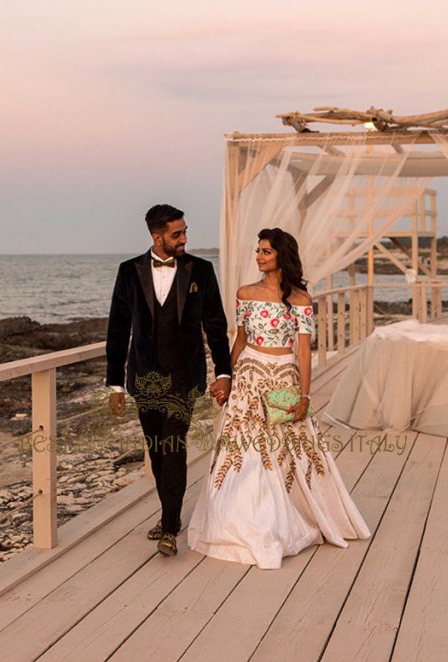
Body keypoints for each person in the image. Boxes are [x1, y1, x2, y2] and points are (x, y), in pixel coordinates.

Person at [187, 227, 370, 569]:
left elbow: (304, 351)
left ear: (281, 256)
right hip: (249, 374)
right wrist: (225, 376)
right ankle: (242, 522)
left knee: (285, 454)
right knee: (244, 452)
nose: (258, 256)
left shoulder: (300, 299)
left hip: (283, 375)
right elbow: (240, 339)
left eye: (266, 251)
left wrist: (303, 395)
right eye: (258, 250)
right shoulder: (245, 293)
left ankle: (285, 521)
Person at [106, 204, 233, 557]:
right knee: (157, 450)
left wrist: (223, 371)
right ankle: (170, 518)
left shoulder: (201, 270)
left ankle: (169, 528)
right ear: (156, 236)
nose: (184, 239)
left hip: (183, 377)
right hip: (144, 378)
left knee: (173, 447)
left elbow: (216, 326)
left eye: (185, 232)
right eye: (177, 234)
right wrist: (114, 383)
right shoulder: (129, 272)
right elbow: (118, 329)